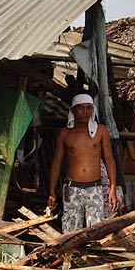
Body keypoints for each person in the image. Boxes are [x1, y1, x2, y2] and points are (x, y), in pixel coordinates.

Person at [48, 93, 118, 232]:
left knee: (96, 230)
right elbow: (56, 163)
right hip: (72, 187)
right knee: (70, 229)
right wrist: (51, 191)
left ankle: (93, 254)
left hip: (95, 187)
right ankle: (70, 254)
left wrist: (112, 188)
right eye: (81, 108)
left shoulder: (101, 131)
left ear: (93, 110)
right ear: (73, 110)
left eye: (88, 108)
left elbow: (109, 160)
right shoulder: (65, 133)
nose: (85, 112)